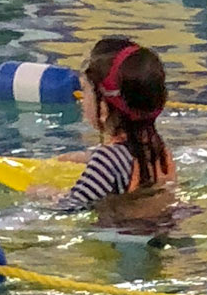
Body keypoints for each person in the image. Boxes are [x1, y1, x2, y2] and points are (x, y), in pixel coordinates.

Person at [55, 37, 176, 217]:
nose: (82, 100)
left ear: (103, 108)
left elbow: (69, 208)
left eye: (85, 90)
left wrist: (44, 194)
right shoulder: (159, 149)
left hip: (124, 233)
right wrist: (89, 157)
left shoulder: (106, 160)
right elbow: (124, 162)